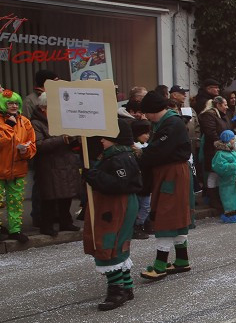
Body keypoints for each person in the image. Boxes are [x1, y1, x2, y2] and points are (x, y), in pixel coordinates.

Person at [83, 119, 142, 310]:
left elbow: (118, 183)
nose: (101, 140)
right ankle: (127, 287)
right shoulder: (117, 155)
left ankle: (117, 291)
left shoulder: (119, 158)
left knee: (110, 244)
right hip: (117, 204)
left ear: (116, 139)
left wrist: (92, 176)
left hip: (117, 205)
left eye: (106, 137)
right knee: (118, 244)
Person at [136, 91, 194, 280]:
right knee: (176, 215)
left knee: (166, 215)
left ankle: (160, 265)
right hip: (173, 172)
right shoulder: (168, 122)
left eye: (146, 112)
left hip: (171, 173)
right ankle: (182, 260)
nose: (145, 116)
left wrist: (140, 154)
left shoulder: (171, 123)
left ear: (152, 110)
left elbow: (157, 151)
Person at [29, 93, 82, 236]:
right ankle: (47, 225)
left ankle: (66, 222)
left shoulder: (63, 120)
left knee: (67, 195)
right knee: (49, 197)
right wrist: (62, 139)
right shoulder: (35, 123)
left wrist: (76, 139)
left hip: (67, 162)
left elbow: (71, 143)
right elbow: (38, 145)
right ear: (43, 107)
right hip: (49, 165)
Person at [0, 89, 36, 243]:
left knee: (15, 201)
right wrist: (8, 126)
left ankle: (15, 230)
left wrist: (25, 150)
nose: (14, 106)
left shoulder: (25, 122)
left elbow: (32, 145)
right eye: (10, 103)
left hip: (18, 170)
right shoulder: (3, 122)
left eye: (16, 103)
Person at [198, 95, 230, 214]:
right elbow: (211, 132)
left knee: (218, 174)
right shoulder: (209, 116)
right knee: (213, 173)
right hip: (213, 149)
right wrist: (221, 144)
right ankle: (213, 199)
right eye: (225, 104)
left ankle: (218, 198)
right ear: (218, 105)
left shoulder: (221, 116)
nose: (227, 107)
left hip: (222, 148)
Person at [210, 130, 236, 224]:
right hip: (227, 181)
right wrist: (234, 166)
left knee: (234, 197)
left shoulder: (232, 151)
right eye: (232, 139)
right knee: (228, 198)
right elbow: (219, 167)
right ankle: (228, 214)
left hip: (234, 179)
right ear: (227, 139)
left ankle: (234, 212)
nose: (234, 140)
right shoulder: (220, 154)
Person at [130, 118, 153, 238]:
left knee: (146, 205)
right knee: (143, 206)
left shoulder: (147, 146)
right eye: (145, 133)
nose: (148, 136)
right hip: (141, 183)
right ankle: (137, 225)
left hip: (147, 182)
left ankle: (144, 223)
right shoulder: (134, 149)